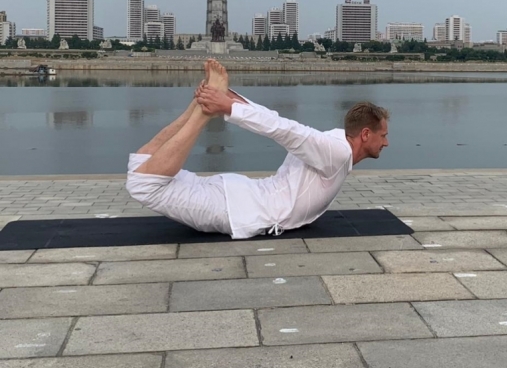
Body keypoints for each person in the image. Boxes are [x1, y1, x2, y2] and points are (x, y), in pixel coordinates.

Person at [125, 59, 390, 239]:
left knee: (140, 166)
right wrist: (226, 107)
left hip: (238, 195)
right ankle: (203, 114)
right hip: (239, 210)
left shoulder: (332, 145)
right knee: (143, 184)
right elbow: (283, 129)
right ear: (365, 134)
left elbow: (276, 121)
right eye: (383, 135)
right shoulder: (338, 152)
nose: (386, 142)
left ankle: (198, 106)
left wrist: (228, 98)